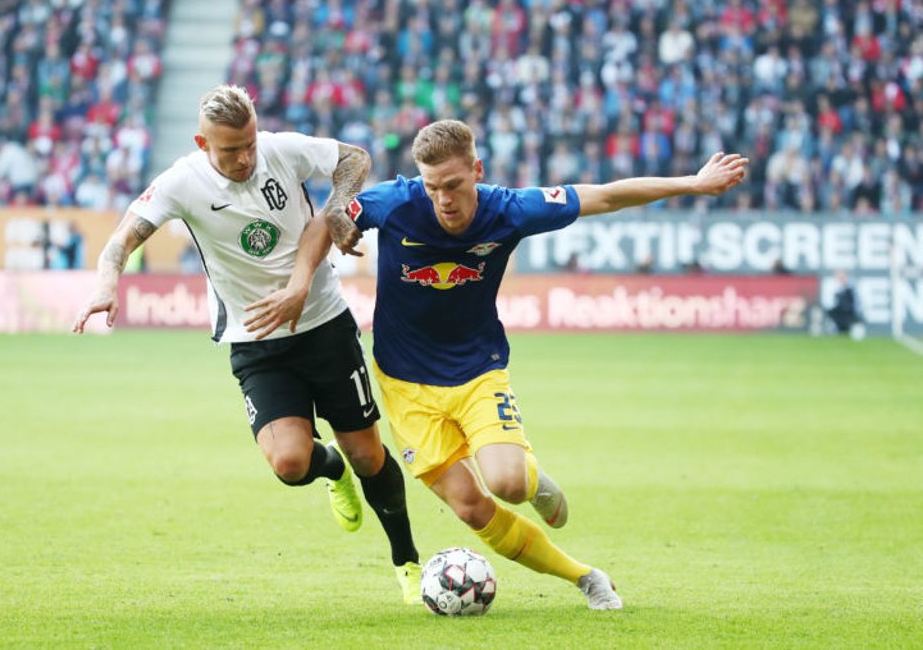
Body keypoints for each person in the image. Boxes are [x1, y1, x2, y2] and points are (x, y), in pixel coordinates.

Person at [313, 119, 746, 610]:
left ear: (476, 170)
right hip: (405, 385)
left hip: (477, 372)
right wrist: (326, 234)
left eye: (453, 185)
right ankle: (586, 577)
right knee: (472, 507)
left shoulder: (510, 210)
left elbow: (604, 195)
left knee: (508, 484)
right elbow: (326, 219)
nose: (443, 200)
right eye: (433, 187)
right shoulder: (394, 202)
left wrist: (692, 183)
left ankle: (532, 477)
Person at [72, 84, 422, 604]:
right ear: (201, 143)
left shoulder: (281, 150)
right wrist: (106, 285)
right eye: (229, 150)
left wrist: (336, 207)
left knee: (369, 455)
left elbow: (354, 158)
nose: (244, 158)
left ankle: (407, 562)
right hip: (256, 341)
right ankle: (330, 471)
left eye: (249, 144)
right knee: (290, 464)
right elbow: (123, 237)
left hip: (324, 325)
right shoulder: (180, 183)